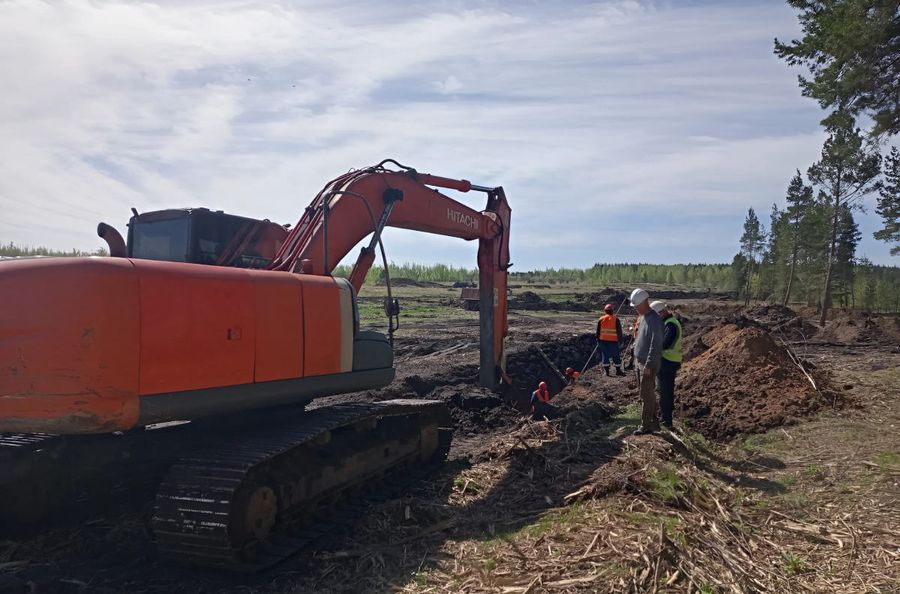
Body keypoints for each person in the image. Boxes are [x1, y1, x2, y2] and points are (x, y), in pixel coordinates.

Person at [630, 288, 663, 435]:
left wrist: (649, 364)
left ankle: (646, 426)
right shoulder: (643, 317)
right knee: (645, 394)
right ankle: (654, 422)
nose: (636, 308)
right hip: (640, 361)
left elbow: (655, 344)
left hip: (647, 363)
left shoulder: (654, 320)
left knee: (647, 395)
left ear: (644, 302)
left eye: (637, 305)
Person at [650, 301, 683, 430]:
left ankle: (667, 420)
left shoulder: (671, 324)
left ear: (662, 312)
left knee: (665, 392)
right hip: (667, 361)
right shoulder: (667, 323)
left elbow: (666, 343)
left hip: (668, 362)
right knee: (664, 391)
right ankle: (665, 417)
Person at [596, 304, 626, 376]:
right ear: (612, 311)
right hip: (613, 341)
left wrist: (598, 340)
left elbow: (598, 331)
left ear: (605, 311)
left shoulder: (601, 319)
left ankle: (607, 372)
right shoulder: (616, 319)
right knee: (616, 355)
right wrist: (621, 341)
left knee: (605, 355)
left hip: (603, 341)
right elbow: (619, 331)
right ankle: (618, 371)